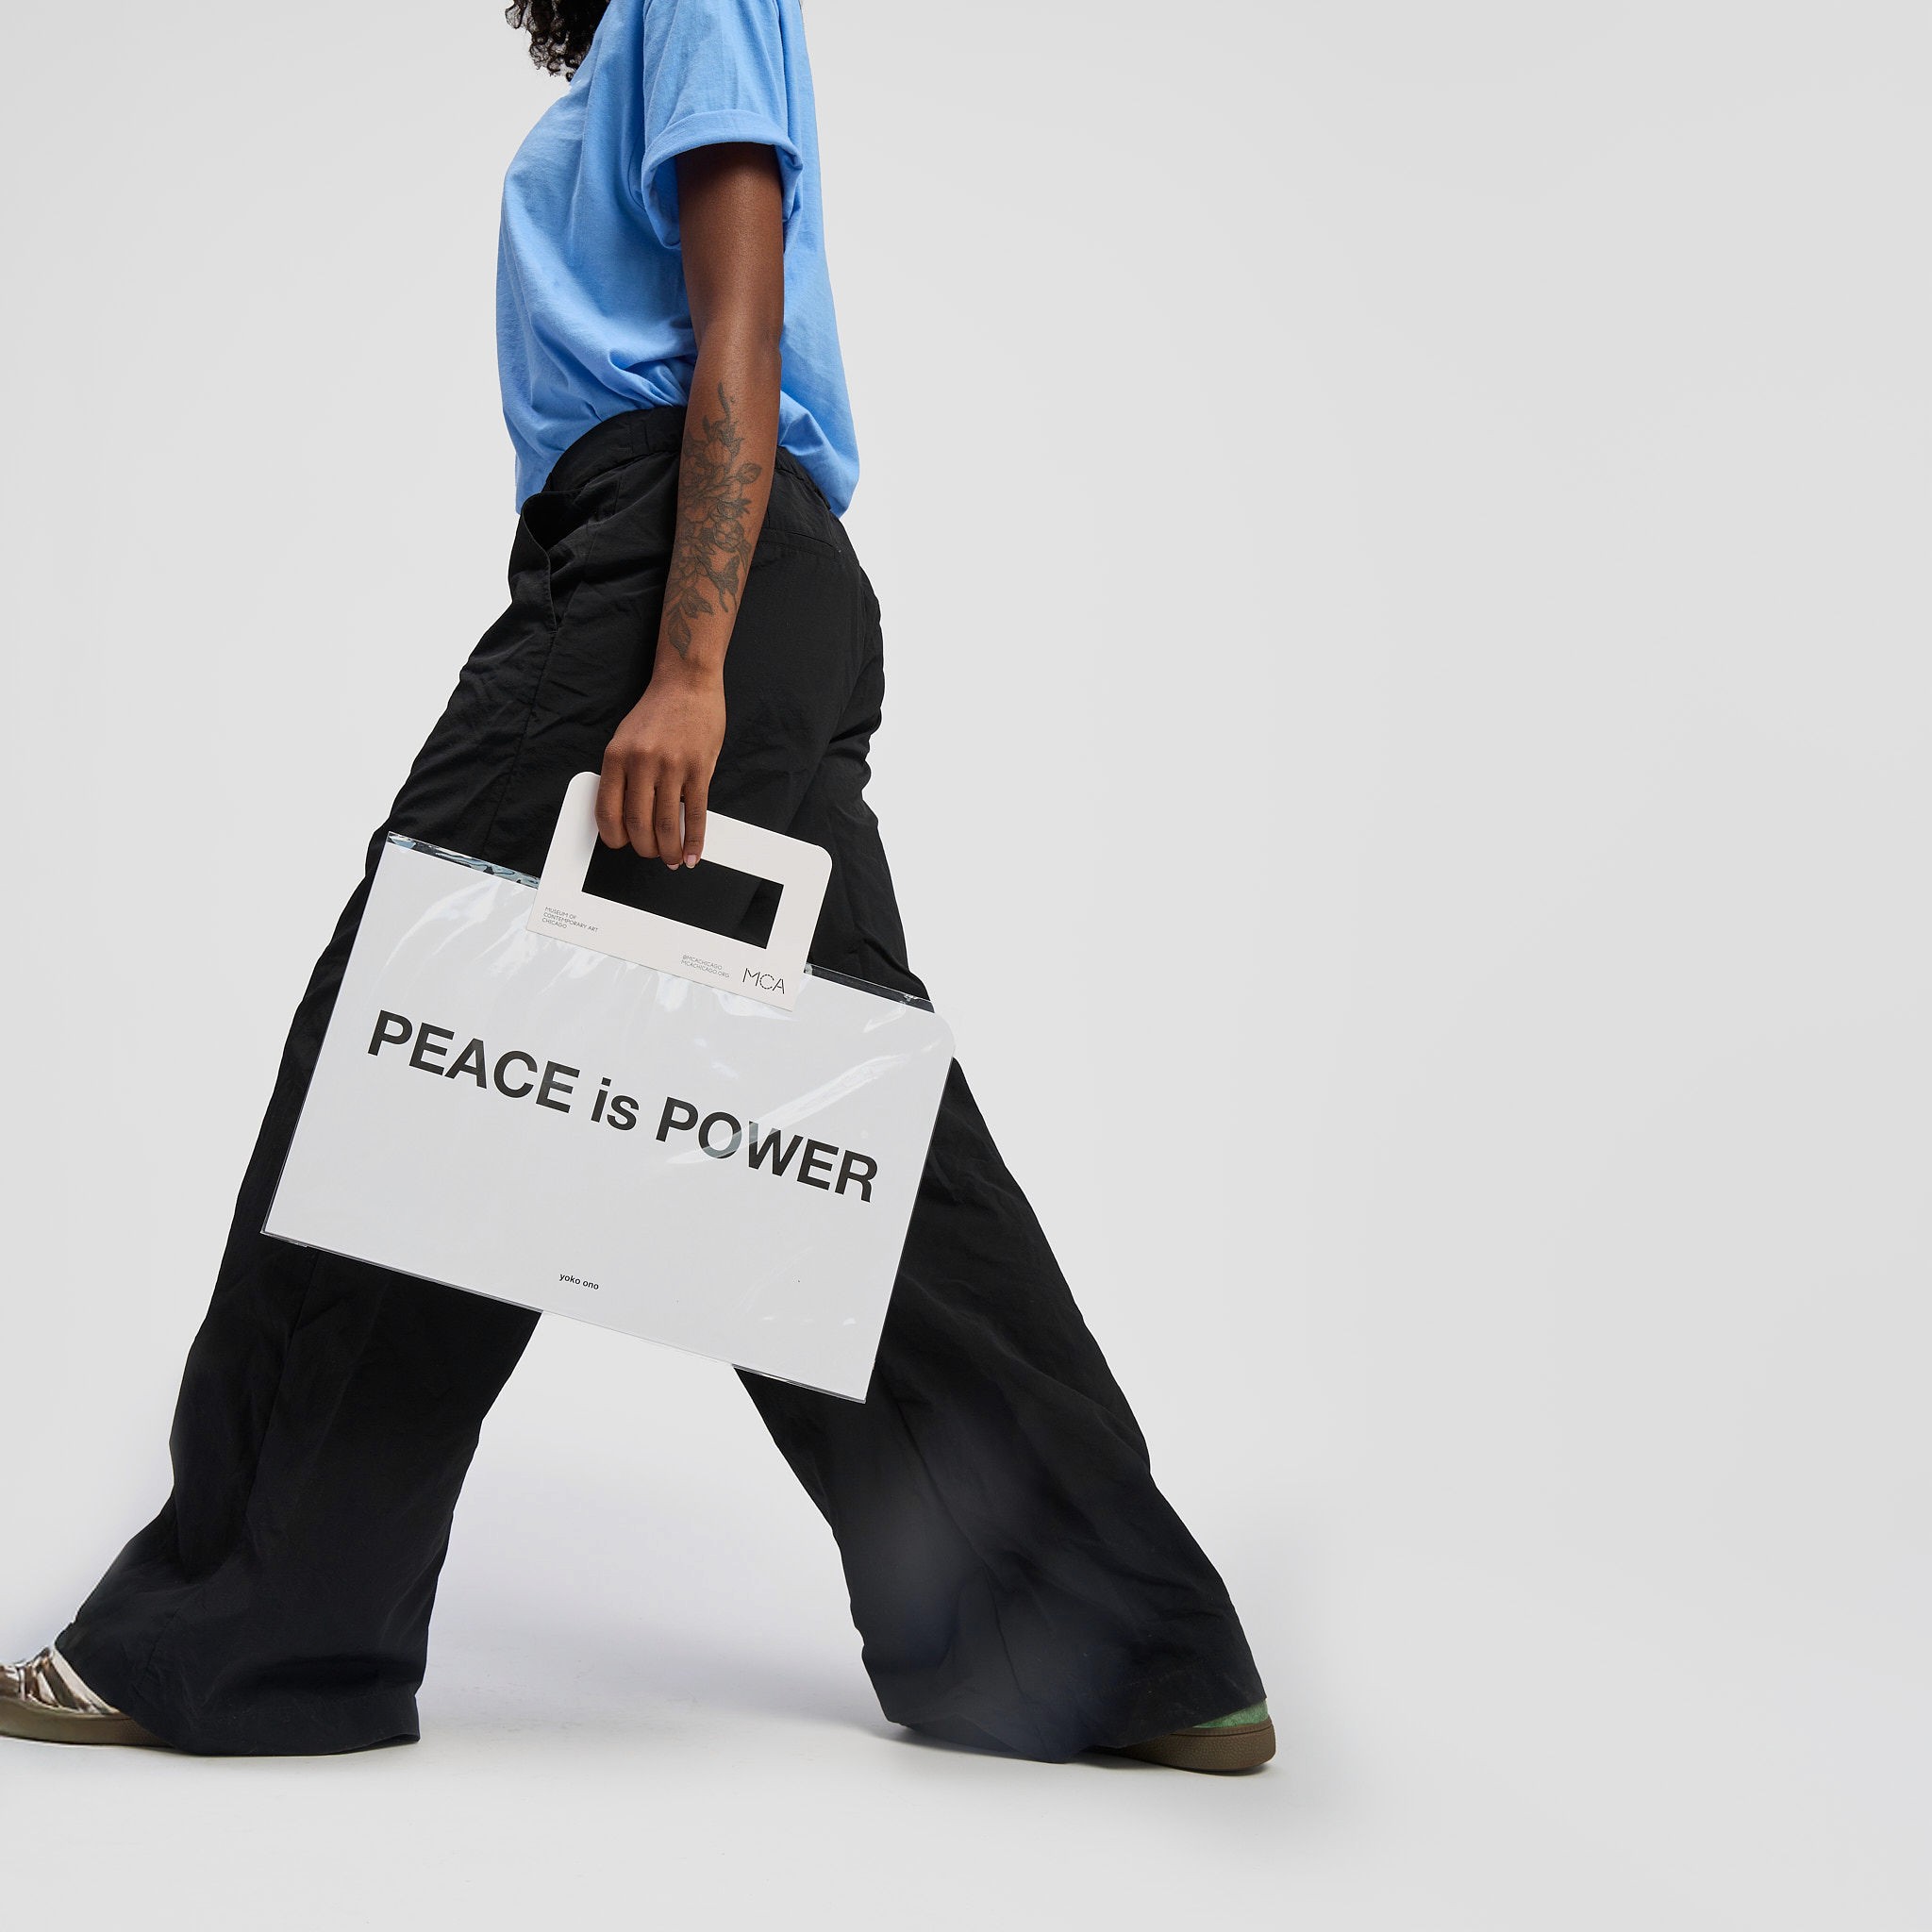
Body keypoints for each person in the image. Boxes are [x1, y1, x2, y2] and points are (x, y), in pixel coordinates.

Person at [0, 0, 1272, 1774]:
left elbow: (733, 310)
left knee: (408, 1051)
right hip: (738, 582)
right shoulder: (637, 46)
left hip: (678, 576)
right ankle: (1116, 1648)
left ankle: (250, 1631)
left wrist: (688, 664)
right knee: (825, 1139)